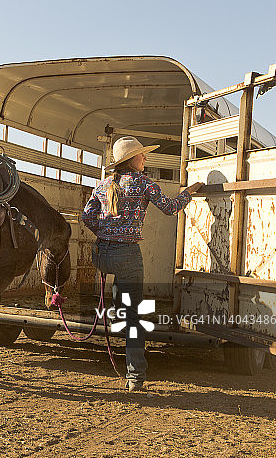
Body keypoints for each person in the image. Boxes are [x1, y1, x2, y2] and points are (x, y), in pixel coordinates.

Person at [81, 136, 203, 392]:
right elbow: (169, 208)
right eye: (142, 155)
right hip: (126, 255)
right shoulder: (144, 183)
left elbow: (87, 216)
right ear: (131, 160)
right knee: (134, 317)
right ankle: (135, 374)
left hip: (102, 255)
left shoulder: (103, 185)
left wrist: (105, 234)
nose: (145, 158)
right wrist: (188, 194)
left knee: (121, 298)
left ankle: (117, 311)